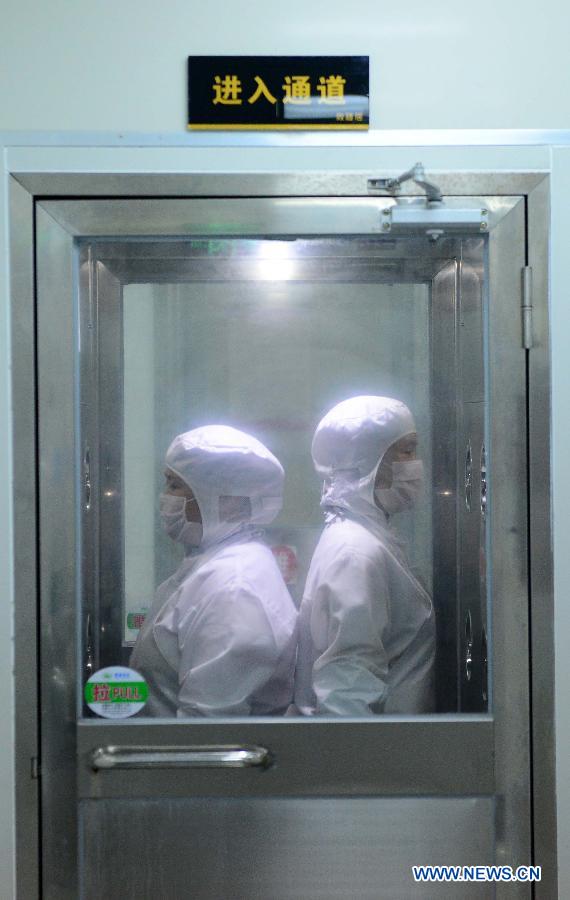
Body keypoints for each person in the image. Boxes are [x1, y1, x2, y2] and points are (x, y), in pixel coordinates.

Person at [131, 424, 298, 717]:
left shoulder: (234, 589)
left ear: (218, 499)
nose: (165, 498)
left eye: (175, 485)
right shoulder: (217, 562)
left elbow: (209, 728)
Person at [294, 395, 435, 716]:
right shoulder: (355, 552)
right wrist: (365, 764)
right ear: (367, 461)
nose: (415, 465)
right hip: (382, 757)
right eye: (407, 451)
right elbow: (347, 691)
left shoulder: (366, 537)